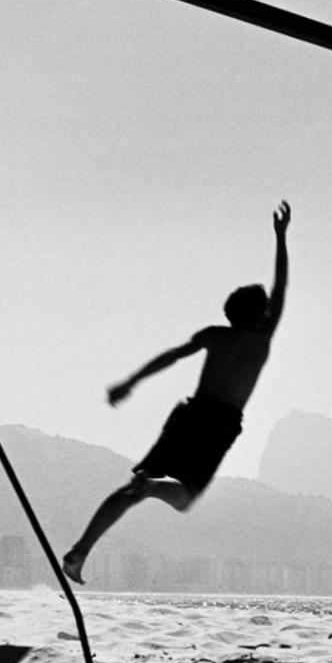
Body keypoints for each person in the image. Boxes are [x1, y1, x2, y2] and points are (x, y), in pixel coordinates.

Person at [62, 201, 290, 585]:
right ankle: (149, 488)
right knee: (183, 498)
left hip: (190, 413)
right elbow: (281, 287)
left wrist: (131, 382)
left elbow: (172, 356)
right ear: (260, 313)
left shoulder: (215, 336)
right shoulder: (261, 339)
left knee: (132, 488)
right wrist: (281, 238)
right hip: (220, 422)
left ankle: (80, 550)